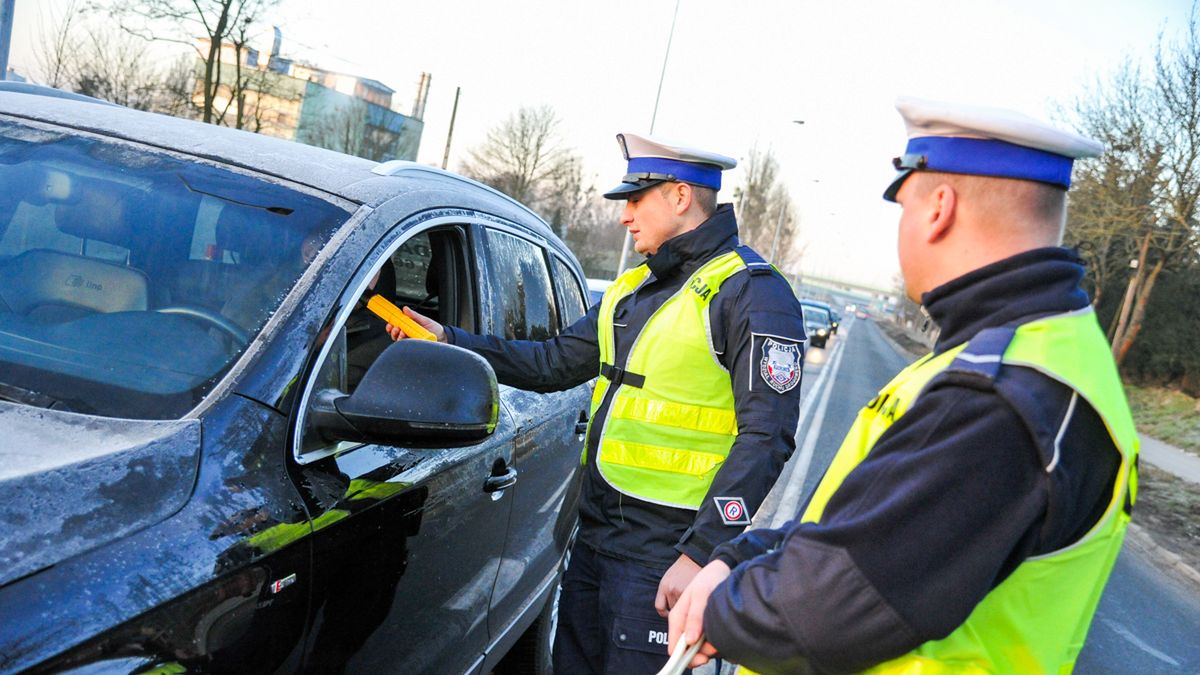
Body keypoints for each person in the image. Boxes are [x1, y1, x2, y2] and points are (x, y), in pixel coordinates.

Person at [667, 97, 1140, 674]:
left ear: (939, 208)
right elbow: (863, 524)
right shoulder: (1015, 354)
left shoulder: (1004, 395)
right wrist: (740, 557)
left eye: (904, 203)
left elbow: (831, 605)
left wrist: (722, 610)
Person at [386, 132, 808, 673]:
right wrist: (449, 339)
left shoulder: (752, 292)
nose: (624, 217)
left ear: (679, 197)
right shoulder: (633, 289)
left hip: (666, 557)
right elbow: (552, 362)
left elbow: (768, 436)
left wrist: (703, 554)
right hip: (594, 542)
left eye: (635, 200)